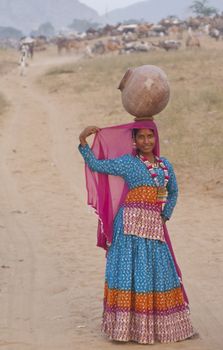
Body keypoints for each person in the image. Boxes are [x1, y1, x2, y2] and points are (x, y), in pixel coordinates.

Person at [78, 120, 195, 344]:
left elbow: (172, 192)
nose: (146, 141)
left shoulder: (164, 166)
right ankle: (125, 329)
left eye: (150, 136)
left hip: (153, 225)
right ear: (134, 141)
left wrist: (164, 214)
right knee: (128, 271)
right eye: (140, 137)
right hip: (129, 225)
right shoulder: (127, 163)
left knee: (160, 271)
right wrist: (83, 140)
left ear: (156, 138)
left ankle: (159, 327)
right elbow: (97, 165)